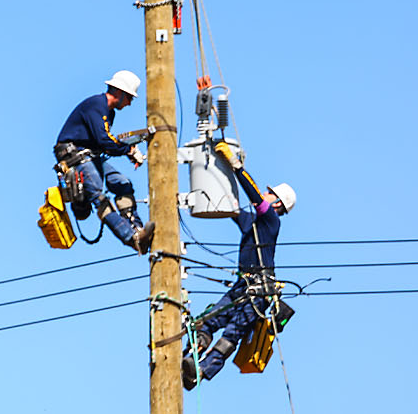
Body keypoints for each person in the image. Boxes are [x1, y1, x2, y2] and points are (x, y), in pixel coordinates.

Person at [183, 144, 297, 389]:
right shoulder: (251, 221)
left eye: (270, 193)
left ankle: (201, 372)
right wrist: (215, 174)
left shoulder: (271, 220)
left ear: (278, 204)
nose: (265, 194)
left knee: (232, 333)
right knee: (208, 321)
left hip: (259, 291)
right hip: (241, 286)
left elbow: (253, 194)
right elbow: (229, 206)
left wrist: (236, 166)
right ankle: (189, 360)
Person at [54, 71, 156, 254]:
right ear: (119, 92)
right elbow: (105, 140)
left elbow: (105, 143)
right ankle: (131, 238)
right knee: (98, 195)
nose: (129, 103)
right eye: (129, 98)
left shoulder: (109, 112)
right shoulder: (97, 105)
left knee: (122, 183)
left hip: (91, 156)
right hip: (75, 156)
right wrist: (129, 150)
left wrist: (127, 149)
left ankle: (138, 230)